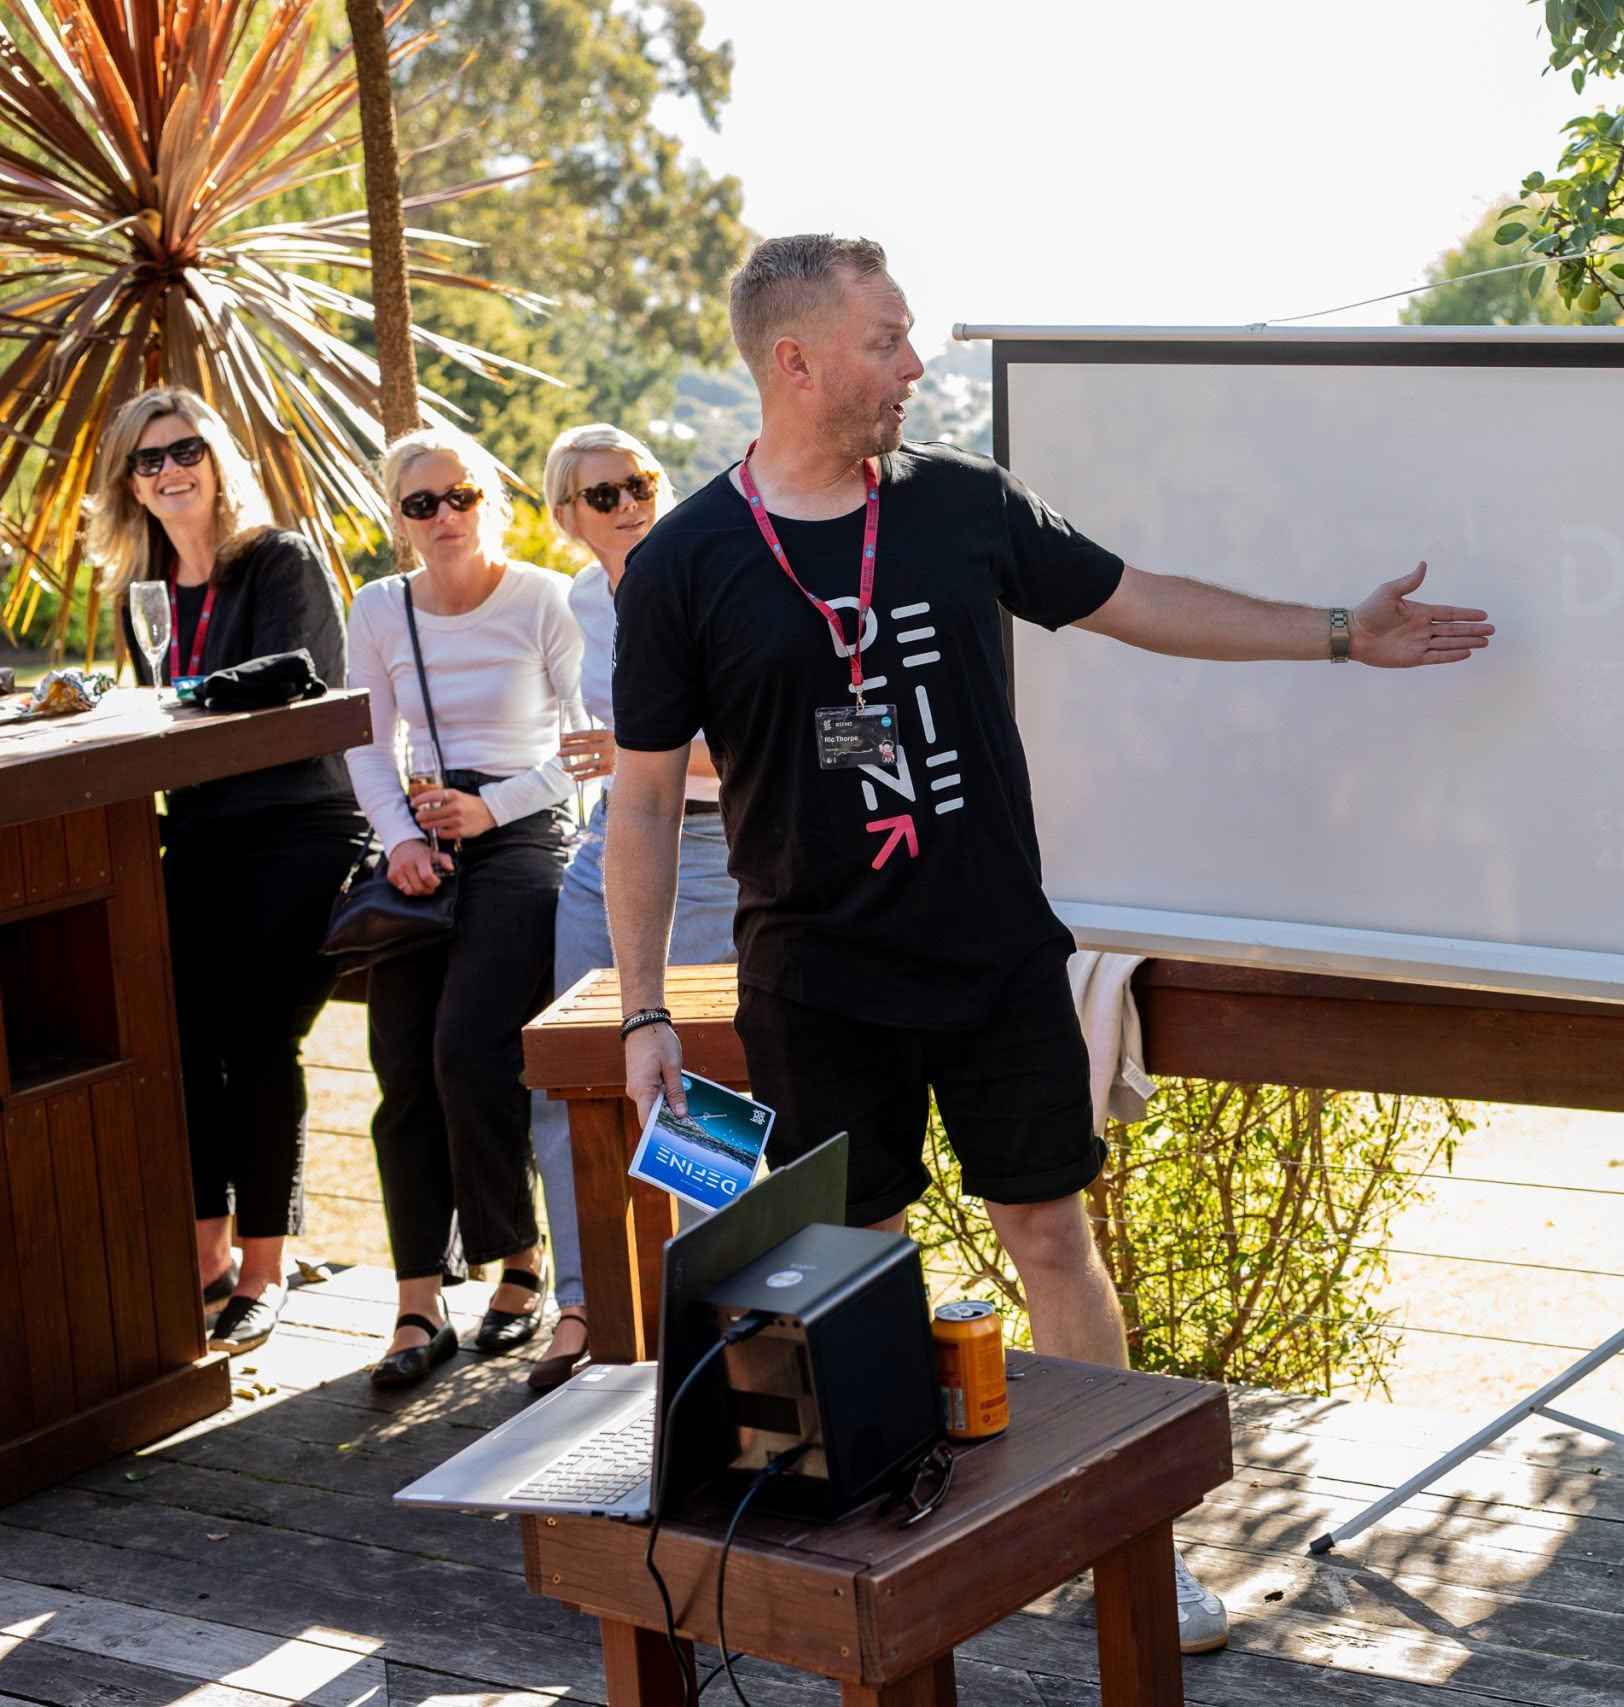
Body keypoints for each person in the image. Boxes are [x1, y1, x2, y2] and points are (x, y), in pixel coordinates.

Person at [608, 233, 1494, 1653]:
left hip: (995, 957)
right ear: (796, 360)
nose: (915, 364)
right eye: (888, 339)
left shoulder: (964, 504)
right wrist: (647, 1008)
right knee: (854, 1266)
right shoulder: (682, 563)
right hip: (815, 985)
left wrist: (1341, 631)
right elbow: (646, 803)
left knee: (1050, 1237)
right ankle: (893, 1558)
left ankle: (1130, 1544)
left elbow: (1147, 601)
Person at [93, 386, 371, 1356]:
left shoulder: (280, 559)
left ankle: (265, 1268)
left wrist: (178, 700)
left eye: (185, 451)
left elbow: (294, 677)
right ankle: (205, 1252)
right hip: (202, 837)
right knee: (176, 1036)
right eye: (149, 460)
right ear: (130, 484)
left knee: (257, 1035)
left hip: (302, 830)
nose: (171, 470)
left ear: (216, 460)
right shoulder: (145, 593)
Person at [346, 425, 584, 1390]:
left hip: (524, 826)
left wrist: (495, 807)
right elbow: (367, 744)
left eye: (461, 496)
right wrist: (401, 839)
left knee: (470, 1046)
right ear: (397, 519)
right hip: (421, 832)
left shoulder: (545, 597)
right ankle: (419, 1300)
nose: (444, 516)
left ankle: (518, 1259)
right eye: (421, 504)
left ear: (493, 499)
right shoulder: (378, 606)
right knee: (400, 1061)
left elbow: (584, 746)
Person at [523, 423, 738, 1396]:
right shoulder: (581, 597)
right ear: (566, 514)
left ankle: (709, 1313)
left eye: (640, 483)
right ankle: (584, 1303)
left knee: (697, 1091)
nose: (629, 505)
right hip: (608, 843)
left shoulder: (709, 581)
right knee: (568, 1074)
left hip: (709, 851)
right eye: (603, 494)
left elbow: (750, 746)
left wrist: (631, 753)